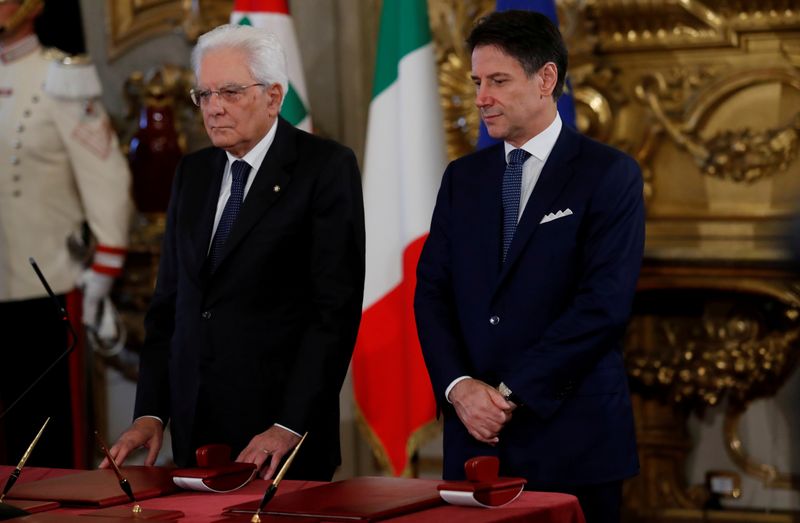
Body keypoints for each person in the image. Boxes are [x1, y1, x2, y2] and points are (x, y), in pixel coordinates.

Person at [102, 24, 365, 481]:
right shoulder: (193, 172)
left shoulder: (324, 168)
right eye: (203, 94)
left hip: (278, 444)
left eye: (229, 91)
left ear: (274, 96)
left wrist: (288, 426)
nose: (214, 108)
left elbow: (333, 315)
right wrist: (151, 412)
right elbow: (169, 307)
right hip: (195, 434)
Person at [414, 11, 644, 523]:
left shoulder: (609, 174)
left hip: (573, 441)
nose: (480, 98)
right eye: (477, 81)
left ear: (546, 80)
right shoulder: (463, 178)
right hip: (475, 444)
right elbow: (431, 291)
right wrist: (458, 388)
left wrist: (507, 394)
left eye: (498, 81)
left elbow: (603, 305)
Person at [0, 0, 132, 468]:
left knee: (48, 442)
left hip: (48, 286)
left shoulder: (61, 79)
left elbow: (106, 177)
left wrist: (103, 269)